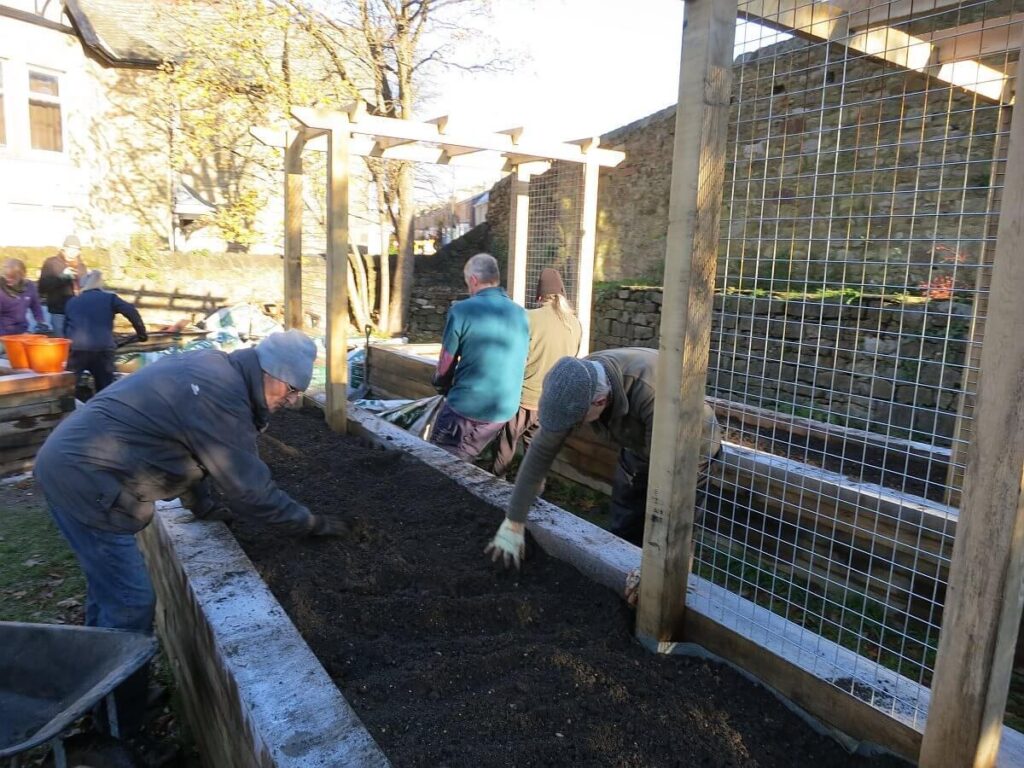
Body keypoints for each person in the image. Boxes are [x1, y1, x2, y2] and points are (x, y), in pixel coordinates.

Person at [34, 329, 347, 737]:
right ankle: (114, 734)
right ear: (269, 372)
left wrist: (202, 505)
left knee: (108, 598)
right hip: (87, 483)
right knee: (131, 603)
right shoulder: (220, 396)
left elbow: (191, 449)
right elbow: (250, 492)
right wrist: (312, 524)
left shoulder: (216, 372)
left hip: (75, 468)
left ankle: (102, 694)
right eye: (290, 390)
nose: (291, 401)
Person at [485, 347, 722, 569]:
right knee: (627, 512)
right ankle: (624, 568)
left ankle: (667, 583)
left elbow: (668, 487)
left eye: (577, 422)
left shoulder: (655, 395)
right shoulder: (575, 382)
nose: (573, 428)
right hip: (637, 441)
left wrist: (652, 570)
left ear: (600, 402)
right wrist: (514, 521)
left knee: (673, 523)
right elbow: (541, 452)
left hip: (688, 448)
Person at [430, 253, 529, 461]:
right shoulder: (521, 314)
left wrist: (441, 386)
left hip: (468, 405)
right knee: (464, 455)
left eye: (468, 283)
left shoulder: (462, 310)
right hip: (503, 410)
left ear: (473, 280)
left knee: (436, 460)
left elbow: (446, 362)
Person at [492, 268, 581, 479]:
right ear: (562, 293)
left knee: (505, 447)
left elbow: (511, 355)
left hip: (524, 399)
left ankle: (495, 487)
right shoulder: (574, 324)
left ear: (539, 294)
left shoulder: (528, 317)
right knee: (536, 456)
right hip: (551, 401)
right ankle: (534, 499)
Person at [65, 270, 148, 393]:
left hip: (77, 349)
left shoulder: (72, 302)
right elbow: (130, 310)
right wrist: (141, 333)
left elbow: (65, 328)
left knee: (69, 388)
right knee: (105, 389)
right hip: (102, 348)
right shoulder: (109, 298)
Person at [38, 234, 87, 337]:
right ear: (64, 248)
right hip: (58, 311)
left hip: (77, 311)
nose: (74, 252)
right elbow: (42, 287)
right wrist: (61, 278)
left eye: (77, 249)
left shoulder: (81, 266)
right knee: (61, 343)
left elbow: (85, 287)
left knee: (76, 343)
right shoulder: (51, 263)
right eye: (71, 248)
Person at [0, 258, 47, 336]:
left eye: (12, 277)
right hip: (3, 331)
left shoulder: (30, 286)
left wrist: (41, 321)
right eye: (6, 276)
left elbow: (36, 306)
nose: (8, 280)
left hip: (22, 329)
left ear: (21, 276)